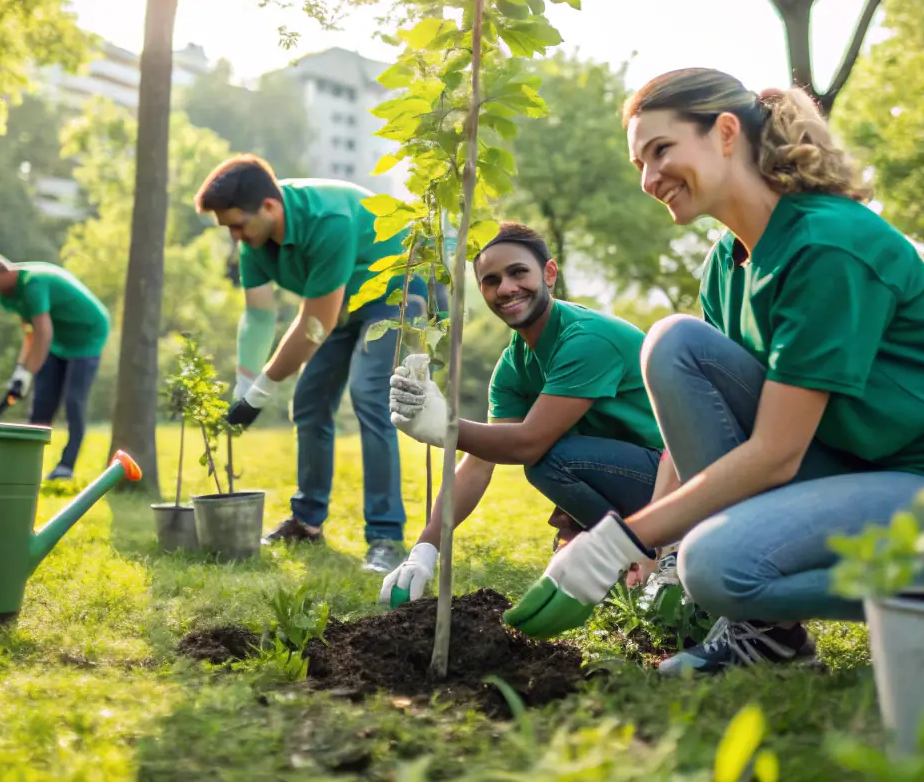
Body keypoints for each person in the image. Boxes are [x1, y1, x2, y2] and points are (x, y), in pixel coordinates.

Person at [502, 68, 924, 676]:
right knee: (675, 344)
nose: (650, 180)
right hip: (865, 474)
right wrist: (652, 542)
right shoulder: (725, 267)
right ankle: (772, 641)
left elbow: (776, 453)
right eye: (639, 165)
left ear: (726, 132)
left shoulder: (826, 245)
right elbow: (692, 429)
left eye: (660, 151)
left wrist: (620, 539)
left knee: (713, 566)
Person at [378, 222, 667, 608]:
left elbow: (528, 442)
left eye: (518, 272)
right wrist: (426, 546)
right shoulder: (515, 364)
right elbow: (479, 463)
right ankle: (621, 550)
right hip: (635, 476)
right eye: (491, 280)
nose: (506, 288)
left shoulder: (586, 340)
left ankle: (650, 550)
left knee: (546, 459)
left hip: (677, 478)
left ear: (549, 273)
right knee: (548, 464)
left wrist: (445, 427)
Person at [194, 155, 427, 574]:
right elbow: (260, 316)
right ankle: (307, 522)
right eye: (227, 228)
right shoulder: (254, 241)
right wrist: (243, 385)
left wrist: (261, 391)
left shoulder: (327, 219)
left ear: (269, 207)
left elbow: (315, 324)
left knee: (370, 392)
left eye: (237, 225)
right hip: (339, 305)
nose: (234, 236)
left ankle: (386, 537)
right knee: (309, 401)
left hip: (395, 292)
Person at [0, 255, 110, 481]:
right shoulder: (9, 296)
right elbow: (31, 333)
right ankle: (27, 465)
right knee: (42, 403)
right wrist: (20, 372)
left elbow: (43, 333)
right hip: (59, 340)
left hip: (88, 335)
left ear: (3, 272)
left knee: (74, 402)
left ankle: (66, 467)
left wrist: (29, 371)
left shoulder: (33, 283)